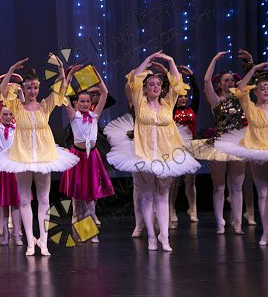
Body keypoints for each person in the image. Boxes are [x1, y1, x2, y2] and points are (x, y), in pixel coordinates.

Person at [105, 52, 200, 252]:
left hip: (166, 156)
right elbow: (134, 80)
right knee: (147, 196)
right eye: (151, 84)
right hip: (145, 155)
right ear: (145, 88)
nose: (156, 87)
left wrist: (171, 61)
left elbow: (177, 83)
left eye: (158, 84)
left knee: (163, 195)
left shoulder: (168, 103)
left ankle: (164, 237)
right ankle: (150, 236)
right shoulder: (139, 102)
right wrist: (147, 60)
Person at [0, 57, 79, 256]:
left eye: (35, 87)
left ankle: (43, 241)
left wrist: (60, 68)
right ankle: (30, 241)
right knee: (24, 200)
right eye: (28, 88)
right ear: (24, 88)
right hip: (23, 157)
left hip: (44, 156)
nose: (32, 91)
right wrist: (11, 69)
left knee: (44, 200)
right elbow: (3, 91)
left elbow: (60, 90)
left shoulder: (45, 106)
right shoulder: (17, 107)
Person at [215, 59, 268, 245]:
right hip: (257, 150)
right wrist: (253, 68)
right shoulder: (250, 107)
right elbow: (241, 87)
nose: (266, 90)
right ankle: (265, 233)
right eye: (262, 88)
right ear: (255, 91)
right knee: (262, 193)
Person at [192, 52, 246, 234]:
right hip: (220, 144)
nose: (230, 83)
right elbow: (206, 81)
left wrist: (251, 64)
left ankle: (237, 222)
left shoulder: (240, 98)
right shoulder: (216, 100)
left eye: (232, 80)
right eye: (226, 80)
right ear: (220, 84)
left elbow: (248, 80)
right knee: (219, 186)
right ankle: (220, 223)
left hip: (237, 144)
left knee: (237, 186)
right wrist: (214, 60)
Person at [59, 68, 114, 242]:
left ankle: (89, 232)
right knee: (79, 197)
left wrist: (97, 76)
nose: (84, 104)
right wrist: (68, 77)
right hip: (78, 157)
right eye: (81, 101)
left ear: (91, 103)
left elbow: (104, 93)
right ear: (76, 103)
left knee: (91, 196)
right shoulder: (73, 116)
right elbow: (63, 95)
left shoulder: (94, 115)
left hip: (92, 158)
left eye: (87, 101)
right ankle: (81, 228)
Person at [0, 81, 21, 246]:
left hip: (14, 164)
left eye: (10, 114)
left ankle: (17, 233)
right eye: (4, 114)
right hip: (1, 166)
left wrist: (19, 94)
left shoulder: (16, 127)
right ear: (0, 116)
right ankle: (6, 233)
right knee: (4, 202)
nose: (7, 117)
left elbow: (21, 109)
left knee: (16, 202)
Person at [170, 66, 199, 227]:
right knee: (174, 182)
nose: (183, 99)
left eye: (185, 96)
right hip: (176, 148)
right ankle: (171, 209)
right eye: (180, 96)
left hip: (190, 147)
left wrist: (192, 77)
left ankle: (192, 209)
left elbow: (198, 94)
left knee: (190, 181)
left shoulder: (192, 108)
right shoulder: (171, 110)